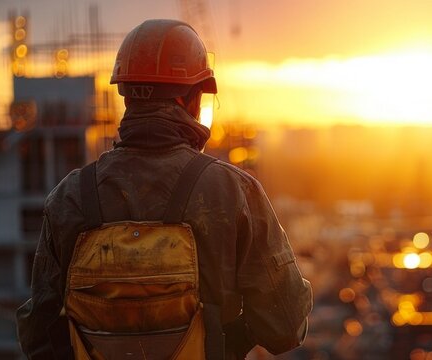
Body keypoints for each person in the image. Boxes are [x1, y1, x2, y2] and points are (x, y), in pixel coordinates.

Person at [16, 19, 312, 360]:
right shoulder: (232, 190)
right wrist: (226, 339)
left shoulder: (69, 197)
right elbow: (285, 324)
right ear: (192, 98)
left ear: (125, 95)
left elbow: (38, 333)